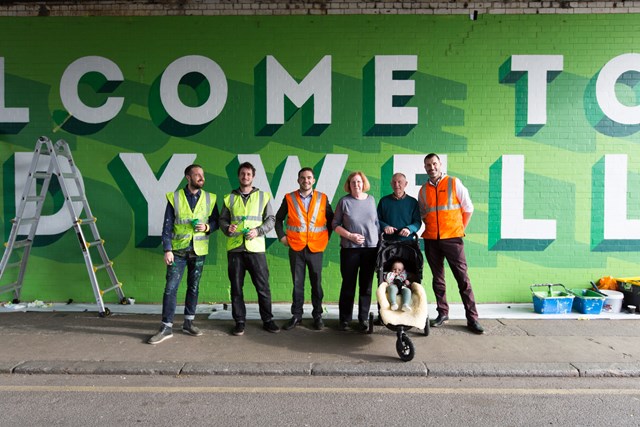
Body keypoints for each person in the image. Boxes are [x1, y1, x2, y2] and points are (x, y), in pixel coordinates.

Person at [148, 164, 219, 345]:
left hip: (198, 251)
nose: (201, 178)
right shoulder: (176, 198)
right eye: (197, 175)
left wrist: (207, 227)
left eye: (202, 174)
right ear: (188, 177)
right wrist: (167, 249)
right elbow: (167, 225)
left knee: (193, 287)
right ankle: (166, 327)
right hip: (178, 251)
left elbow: (216, 221)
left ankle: (188, 323)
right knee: (171, 288)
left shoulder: (210, 198)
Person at [418, 153, 484, 334]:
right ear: (425, 168)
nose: (431, 167)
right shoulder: (423, 190)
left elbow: (468, 207)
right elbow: (424, 213)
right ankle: (442, 313)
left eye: (434, 164)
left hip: (453, 239)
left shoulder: (454, 183)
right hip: (431, 239)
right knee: (438, 279)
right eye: (428, 165)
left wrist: (459, 228)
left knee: (463, 279)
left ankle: (472, 318)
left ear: (440, 164)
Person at [220, 162, 280, 336]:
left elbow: (271, 220)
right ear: (238, 176)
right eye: (242, 174)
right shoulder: (229, 198)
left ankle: (268, 320)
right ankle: (239, 322)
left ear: (253, 177)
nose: (245, 177)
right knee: (236, 287)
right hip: (235, 249)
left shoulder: (263, 196)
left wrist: (258, 231)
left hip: (256, 249)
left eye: (248, 174)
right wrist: (227, 228)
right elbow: (222, 220)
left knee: (263, 287)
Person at [275, 167, 334, 331]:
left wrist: (325, 238)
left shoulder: (323, 198)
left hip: (316, 248)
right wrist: (282, 237)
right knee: (297, 283)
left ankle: (318, 316)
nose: (306, 180)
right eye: (302, 178)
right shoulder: (289, 198)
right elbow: (278, 219)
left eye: (309, 178)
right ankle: (297, 316)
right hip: (296, 247)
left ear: (313, 180)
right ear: (298, 180)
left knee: (316, 284)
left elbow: (331, 221)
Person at [332, 171, 379, 332]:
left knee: (366, 286)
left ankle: (363, 319)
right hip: (350, 250)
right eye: (353, 182)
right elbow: (335, 224)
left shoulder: (371, 200)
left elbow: (376, 223)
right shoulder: (344, 201)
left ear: (363, 183)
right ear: (349, 185)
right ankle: (345, 319)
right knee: (348, 285)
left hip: (370, 249)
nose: (356, 185)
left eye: (359, 182)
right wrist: (350, 236)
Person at [377, 172, 421, 241]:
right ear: (391, 184)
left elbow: (418, 222)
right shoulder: (384, 201)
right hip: (387, 243)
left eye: (399, 182)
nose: (396, 185)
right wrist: (385, 226)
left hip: (408, 243)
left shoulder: (413, 202)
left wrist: (409, 229)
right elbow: (377, 219)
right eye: (394, 182)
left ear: (405, 184)